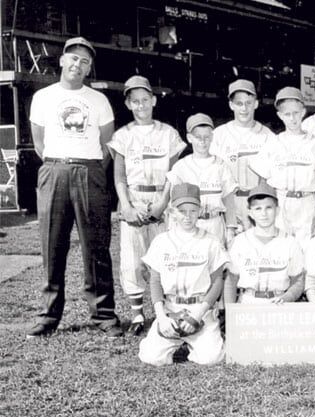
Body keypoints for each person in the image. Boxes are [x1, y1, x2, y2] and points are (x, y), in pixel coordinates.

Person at [27, 37, 122, 338]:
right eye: (73, 58)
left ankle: (104, 315)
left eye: (84, 61)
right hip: (54, 169)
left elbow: (107, 144)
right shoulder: (43, 96)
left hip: (90, 170)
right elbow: (39, 141)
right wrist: (60, 165)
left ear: (89, 68)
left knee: (96, 246)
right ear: (62, 60)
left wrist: (88, 169)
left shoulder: (98, 100)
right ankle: (48, 314)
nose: (77, 64)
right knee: (52, 245)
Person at [108, 75, 186, 335]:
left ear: (153, 100)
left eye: (145, 100)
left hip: (161, 200)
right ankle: (138, 314)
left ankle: (167, 309)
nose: (141, 105)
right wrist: (128, 208)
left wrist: (163, 204)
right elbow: (119, 177)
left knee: (166, 257)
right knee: (132, 260)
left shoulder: (168, 134)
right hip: (134, 199)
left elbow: (174, 173)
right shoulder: (123, 135)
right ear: (128, 104)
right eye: (135, 101)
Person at [138, 183, 226, 366]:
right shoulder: (162, 241)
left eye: (193, 210)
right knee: (151, 358)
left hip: (200, 309)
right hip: (171, 308)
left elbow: (217, 281)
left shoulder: (211, 241)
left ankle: (198, 341)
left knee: (211, 359)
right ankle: (168, 338)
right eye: (182, 210)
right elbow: (155, 281)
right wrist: (161, 317)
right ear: (171, 212)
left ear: (200, 211)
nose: (187, 216)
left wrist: (198, 314)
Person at [250, 87, 315, 245]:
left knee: (306, 250)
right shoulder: (273, 143)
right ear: (280, 116)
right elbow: (263, 181)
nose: (292, 118)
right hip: (281, 201)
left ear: (303, 112)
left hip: (307, 203)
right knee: (281, 249)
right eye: (287, 114)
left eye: (296, 113)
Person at [211, 80, 276, 231]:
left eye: (248, 102)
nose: (244, 108)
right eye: (239, 103)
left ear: (256, 103)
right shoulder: (218, 135)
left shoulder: (268, 136)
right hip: (228, 202)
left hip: (258, 202)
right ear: (231, 105)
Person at [224, 183, 305, 304]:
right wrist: (230, 313)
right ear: (250, 213)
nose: (264, 213)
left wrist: (287, 297)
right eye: (258, 209)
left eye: (269, 208)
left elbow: (298, 281)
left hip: (279, 302)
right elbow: (231, 281)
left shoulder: (290, 243)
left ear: (277, 210)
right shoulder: (239, 242)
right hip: (248, 301)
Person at [168, 113, 238, 244]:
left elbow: (229, 201)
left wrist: (230, 230)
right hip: (189, 225)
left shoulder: (220, 165)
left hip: (214, 223)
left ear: (212, 137)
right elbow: (174, 204)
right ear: (189, 138)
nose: (202, 141)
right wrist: (173, 231)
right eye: (197, 137)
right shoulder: (180, 167)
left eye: (206, 137)